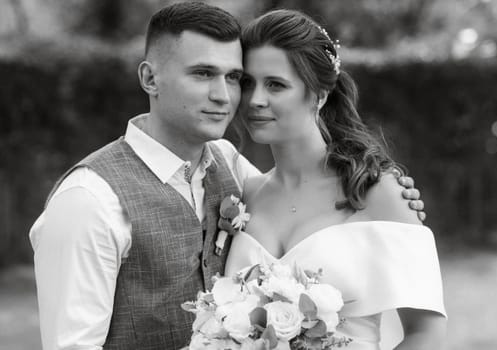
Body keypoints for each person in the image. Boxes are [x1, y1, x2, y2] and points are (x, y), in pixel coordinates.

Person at [29, 3, 425, 350]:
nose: (228, 96)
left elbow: (307, 195)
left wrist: (386, 191)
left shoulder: (230, 167)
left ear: (319, 94)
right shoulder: (89, 200)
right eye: (203, 74)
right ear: (150, 79)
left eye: (233, 76)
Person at [225, 9, 447, 350]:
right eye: (247, 83)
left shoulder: (377, 191)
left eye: (276, 85)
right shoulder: (244, 193)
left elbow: (426, 335)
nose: (255, 100)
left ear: (320, 94)